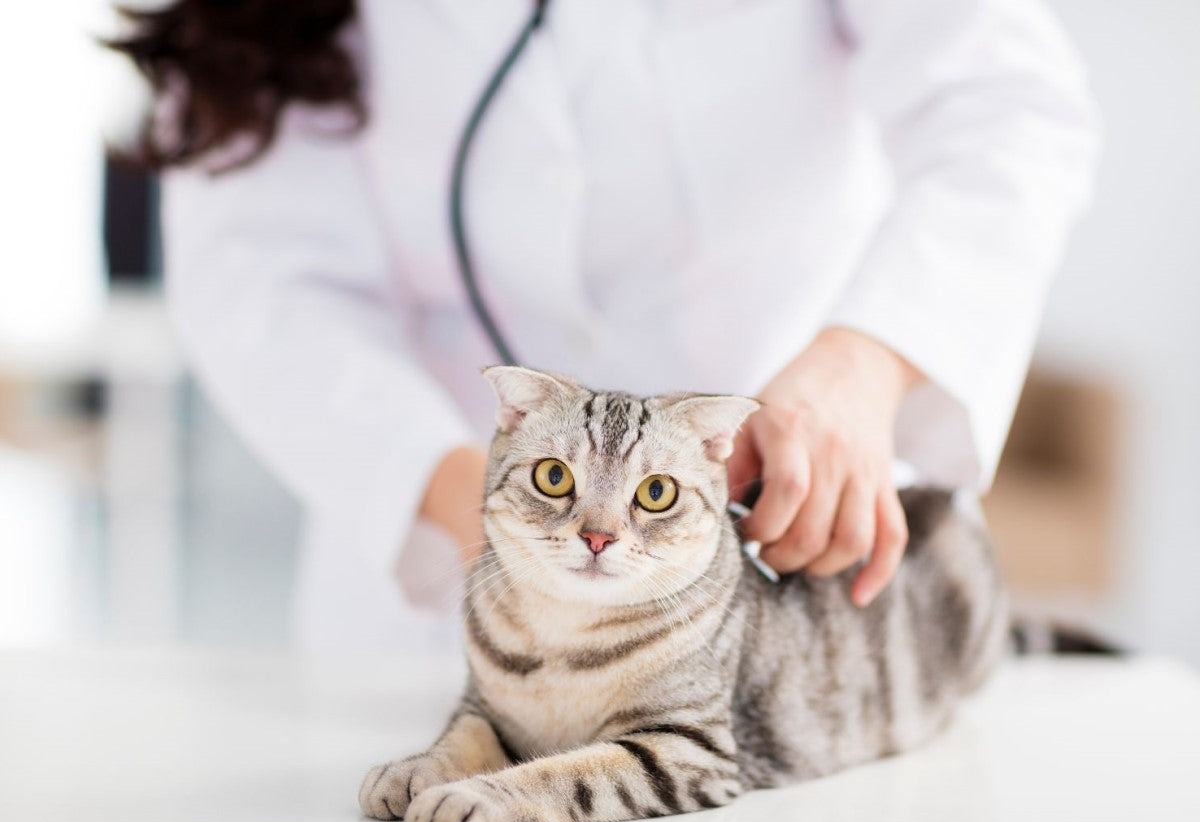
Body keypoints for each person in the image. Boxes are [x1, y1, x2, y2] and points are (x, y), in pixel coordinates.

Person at [111, 0, 1098, 650]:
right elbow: (262, 276)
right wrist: (497, 531)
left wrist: (868, 360)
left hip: (794, 556)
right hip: (438, 607)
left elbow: (1007, 108)